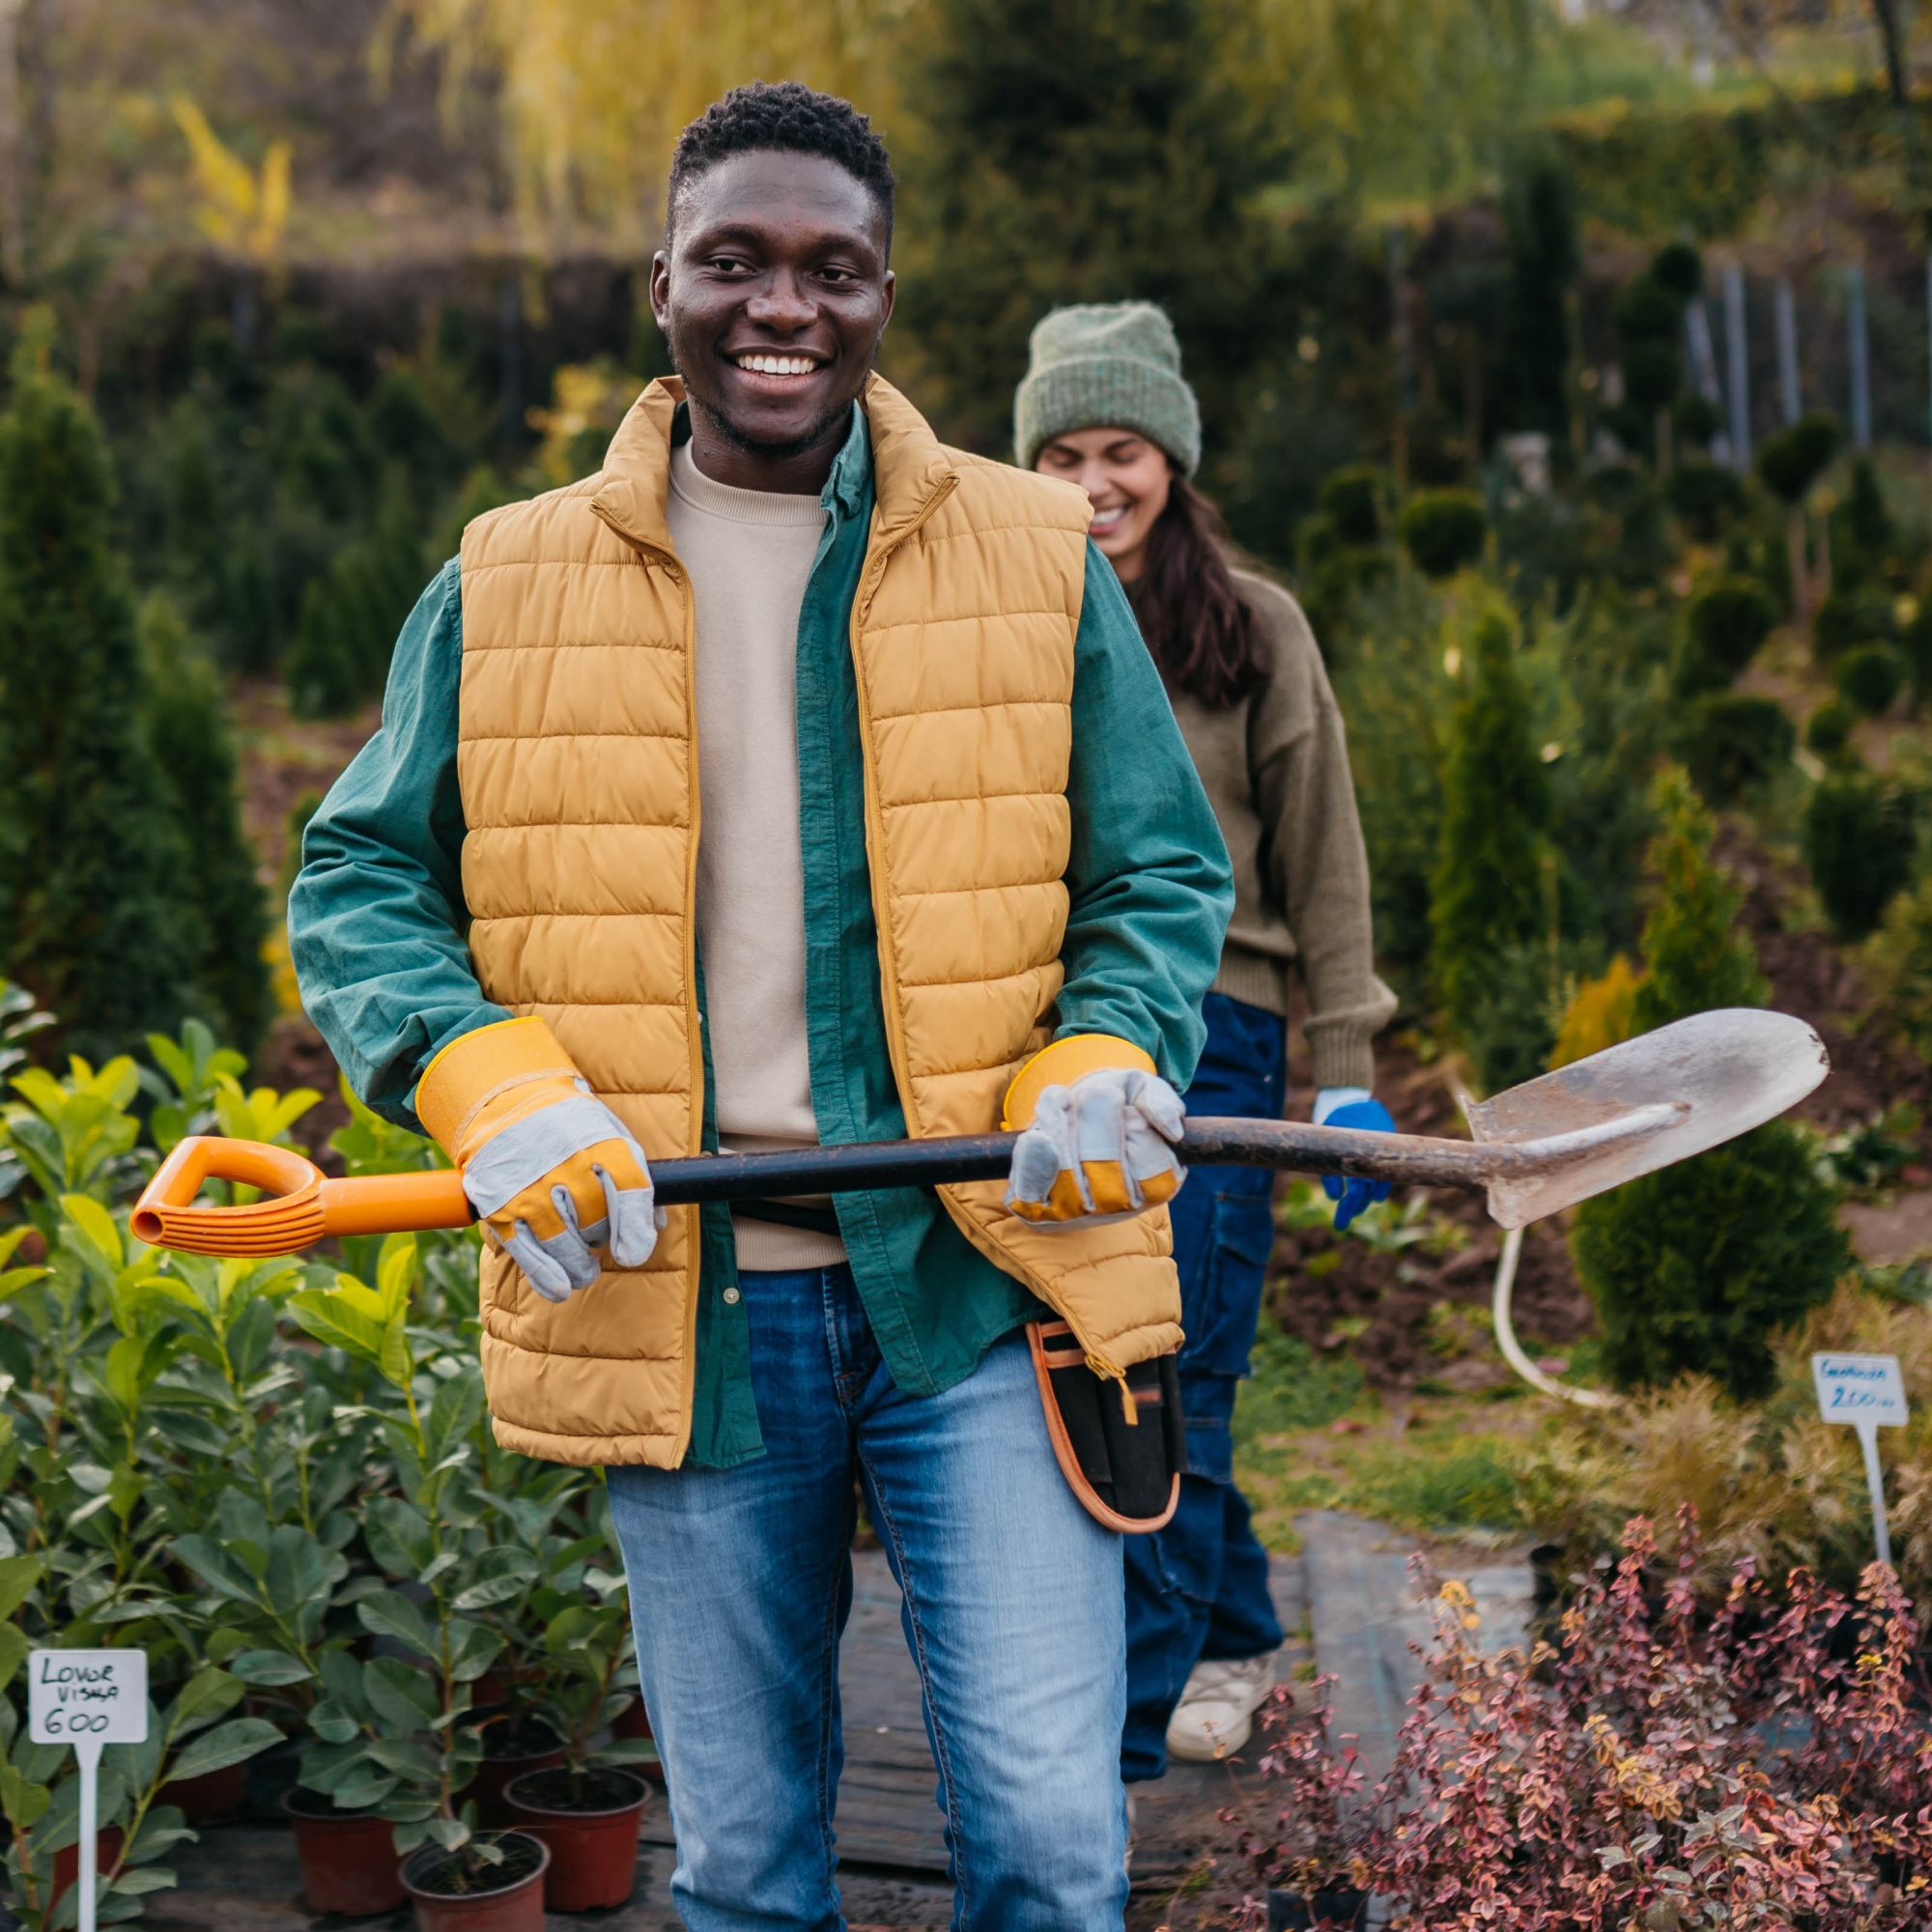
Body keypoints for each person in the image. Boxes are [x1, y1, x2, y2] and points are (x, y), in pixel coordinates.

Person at [290, 87, 1233, 1930]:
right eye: (735, 262)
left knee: (1052, 1838)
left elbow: (1157, 876)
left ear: (888, 295)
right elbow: (362, 879)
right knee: (741, 1869)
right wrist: (494, 1084)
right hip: (687, 1300)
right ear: (664, 284)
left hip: (985, 1277)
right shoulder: (511, 575)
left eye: (831, 269)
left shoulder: (1033, 554)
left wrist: (1107, 1050)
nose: (780, 306)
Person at [1016, 301, 1398, 1782]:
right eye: (1060, 452)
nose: (1094, 483)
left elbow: (1328, 864)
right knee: (1088, 1370)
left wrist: (1350, 1078)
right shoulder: (1009, 620)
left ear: (1171, 462)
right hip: (1053, 1049)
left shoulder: (1253, 630)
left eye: (1123, 451)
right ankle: (1237, 1633)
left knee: (1178, 1379)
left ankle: (1114, 1743)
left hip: (1221, 1041)